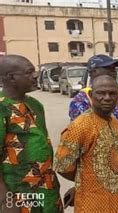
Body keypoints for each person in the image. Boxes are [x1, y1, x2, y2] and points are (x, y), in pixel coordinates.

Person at [68, 54, 118, 206]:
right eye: (107, 68)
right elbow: (77, 145)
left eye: (114, 69)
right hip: (96, 173)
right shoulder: (82, 101)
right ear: (93, 73)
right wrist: (80, 181)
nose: (113, 72)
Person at [54, 75, 118, 212]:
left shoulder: (115, 122)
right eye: (101, 93)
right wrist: (82, 184)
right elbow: (62, 166)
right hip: (92, 205)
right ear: (90, 94)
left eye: (112, 93)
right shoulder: (80, 126)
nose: (107, 97)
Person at [0, 55, 63, 213]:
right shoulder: (2, 108)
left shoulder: (35, 104)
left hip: (47, 188)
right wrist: (5, 199)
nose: (35, 75)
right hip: (19, 191)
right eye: (29, 72)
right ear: (11, 77)